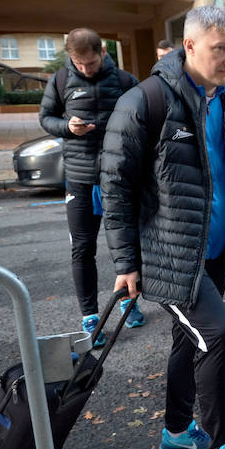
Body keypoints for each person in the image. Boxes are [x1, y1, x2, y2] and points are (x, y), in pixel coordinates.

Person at [100, 6, 225, 449]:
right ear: (190, 46)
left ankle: (177, 433)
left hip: (215, 250)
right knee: (216, 333)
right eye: (221, 49)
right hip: (169, 253)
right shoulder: (146, 102)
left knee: (189, 339)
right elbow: (115, 186)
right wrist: (126, 262)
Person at [39, 28, 144, 347]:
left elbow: (145, 119)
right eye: (78, 63)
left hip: (119, 176)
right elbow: (46, 118)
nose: (85, 69)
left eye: (90, 62)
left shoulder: (125, 81)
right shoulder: (59, 80)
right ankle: (90, 314)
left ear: (103, 52)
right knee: (82, 247)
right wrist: (67, 128)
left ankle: (127, 300)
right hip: (80, 178)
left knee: (126, 242)